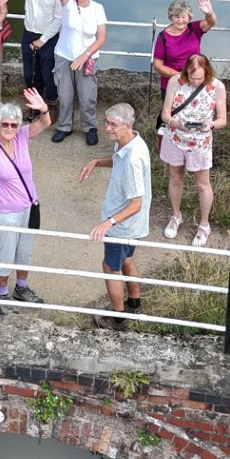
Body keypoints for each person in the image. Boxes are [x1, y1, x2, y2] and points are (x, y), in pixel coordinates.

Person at [0, 91, 53, 312]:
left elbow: (46, 122)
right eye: (5, 124)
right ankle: (1, 295)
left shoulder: (23, 136)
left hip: (29, 207)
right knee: (5, 254)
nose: (10, 129)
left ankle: (21, 288)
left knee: (24, 252)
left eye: (14, 125)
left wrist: (43, 108)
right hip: (4, 211)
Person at [80, 103, 152, 330]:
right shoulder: (132, 142)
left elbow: (136, 204)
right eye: (107, 122)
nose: (108, 128)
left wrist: (107, 222)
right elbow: (117, 159)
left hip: (122, 227)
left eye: (113, 124)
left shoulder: (132, 160)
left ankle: (118, 318)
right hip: (133, 227)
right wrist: (96, 162)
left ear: (127, 126)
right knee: (127, 259)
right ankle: (134, 302)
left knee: (111, 267)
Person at [159, 53, 226, 248]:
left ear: (207, 73)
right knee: (175, 178)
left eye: (199, 78)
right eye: (191, 77)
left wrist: (211, 125)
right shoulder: (175, 81)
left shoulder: (217, 87)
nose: (195, 81)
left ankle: (204, 225)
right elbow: (165, 113)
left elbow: (223, 119)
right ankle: (175, 215)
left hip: (200, 143)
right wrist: (175, 122)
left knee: (202, 184)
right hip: (176, 138)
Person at [51, 0, 107, 145]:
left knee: (87, 96)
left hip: (88, 58)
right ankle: (64, 126)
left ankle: (90, 127)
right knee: (64, 95)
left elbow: (101, 38)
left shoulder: (98, 9)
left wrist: (85, 55)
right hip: (64, 55)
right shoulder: (67, 4)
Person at [10, 0, 64, 105]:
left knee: (47, 73)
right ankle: (35, 101)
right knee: (29, 74)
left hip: (49, 37)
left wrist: (42, 40)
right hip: (28, 34)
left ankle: (52, 101)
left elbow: (59, 18)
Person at [152, 0, 217, 96]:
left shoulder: (194, 29)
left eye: (183, 17)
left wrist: (209, 13)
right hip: (172, 84)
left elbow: (211, 22)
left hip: (196, 81)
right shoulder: (163, 37)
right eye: (176, 16)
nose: (180, 20)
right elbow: (157, 65)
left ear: (189, 17)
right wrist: (181, 76)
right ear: (171, 17)